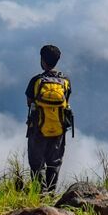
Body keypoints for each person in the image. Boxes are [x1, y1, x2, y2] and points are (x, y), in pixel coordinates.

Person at [25, 44, 72, 192]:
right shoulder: (65, 81)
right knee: (54, 163)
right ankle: (51, 195)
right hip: (59, 128)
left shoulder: (36, 80)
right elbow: (66, 101)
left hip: (38, 128)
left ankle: (40, 196)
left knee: (36, 164)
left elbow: (29, 102)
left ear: (42, 60)